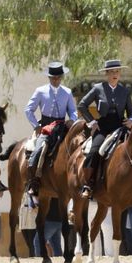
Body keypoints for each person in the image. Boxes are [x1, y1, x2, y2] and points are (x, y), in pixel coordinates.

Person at [76, 59, 132, 198]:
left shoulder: (125, 91)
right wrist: (92, 122)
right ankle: (88, 183)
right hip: (103, 126)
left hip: (120, 127)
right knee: (95, 151)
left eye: (117, 71)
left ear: (120, 73)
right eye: (111, 72)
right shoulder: (98, 88)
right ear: (106, 74)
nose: (115, 74)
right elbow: (82, 105)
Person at [23, 62, 77, 198]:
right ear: (49, 78)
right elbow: (28, 110)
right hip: (46, 128)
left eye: (58, 77)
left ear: (61, 77)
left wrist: (72, 120)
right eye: (53, 78)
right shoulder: (40, 91)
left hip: (62, 127)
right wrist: (36, 125)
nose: (56, 80)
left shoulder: (67, 92)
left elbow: (73, 111)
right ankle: (33, 182)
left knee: (76, 148)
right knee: (38, 151)